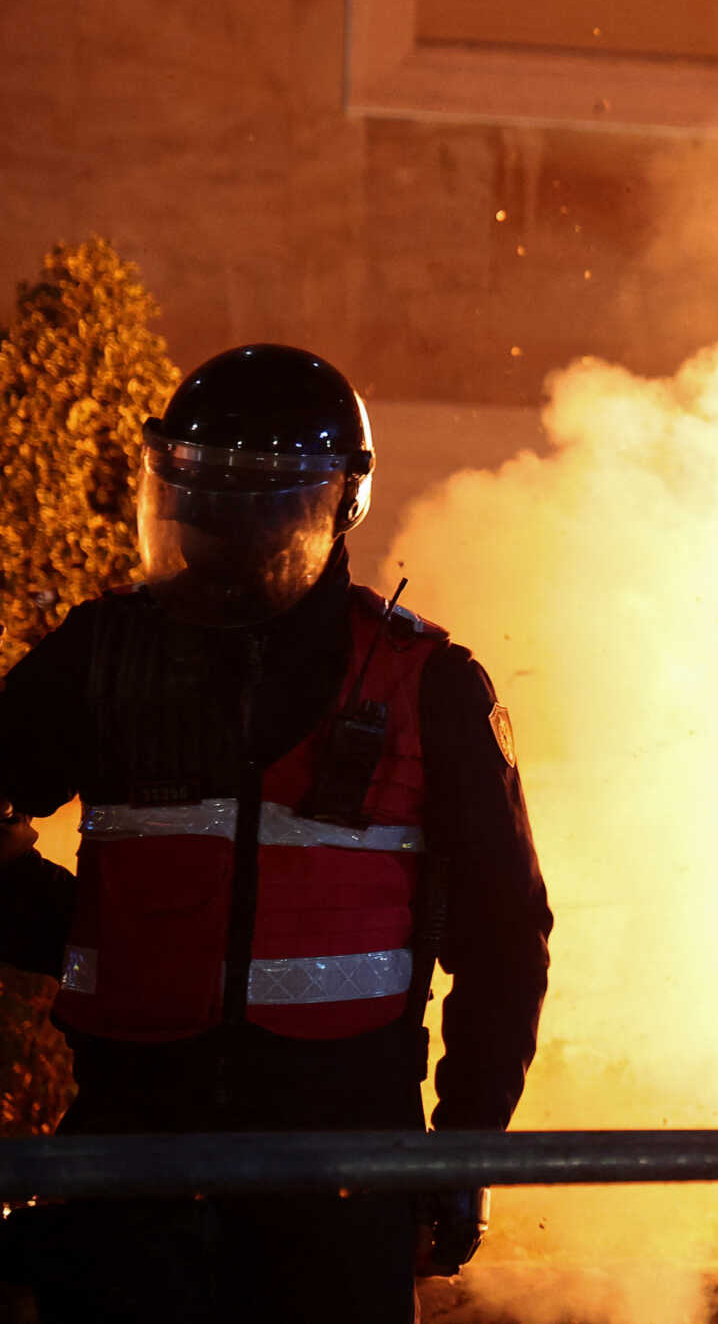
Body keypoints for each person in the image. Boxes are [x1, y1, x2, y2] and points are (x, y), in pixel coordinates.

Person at [0, 344, 552, 1324]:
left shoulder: (427, 686)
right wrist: (83, 930)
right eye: (202, 489)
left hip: (338, 1184)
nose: (228, 523)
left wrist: (463, 1149)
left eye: (266, 496)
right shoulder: (101, 656)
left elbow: (504, 942)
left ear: (341, 505)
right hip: (132, 1164)